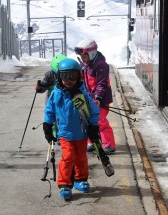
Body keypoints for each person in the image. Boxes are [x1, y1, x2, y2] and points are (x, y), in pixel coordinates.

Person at [42, 58, 100, 200]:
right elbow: (49, 111)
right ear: (59, 77)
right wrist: (48, 126)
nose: (69, 80)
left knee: (81, 157)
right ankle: (65, 184)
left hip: (81, 133)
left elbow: (93, 110)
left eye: (72, 76)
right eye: (65, 76)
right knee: (68, 157)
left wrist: (93, 126)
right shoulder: (57, 94)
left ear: (78, 76)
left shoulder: (82, 94)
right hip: (65, 133)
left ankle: (80, 180)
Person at [74, 39, 116, 154]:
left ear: (91, 54)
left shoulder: (101, 65)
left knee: (100, 121)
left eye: (84, 57)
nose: (83, 59)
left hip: (101, 100)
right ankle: (92, 141)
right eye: (81, 57)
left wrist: (97, 98)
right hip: (88, 97)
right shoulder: (86, 64)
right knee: (87, 120)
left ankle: (109, 144)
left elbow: (102, 84)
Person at [35, 54, 66, 143]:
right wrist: (40, 88)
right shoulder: (49, 75)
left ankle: (61, 136)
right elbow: (44, 86)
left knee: (62, 118)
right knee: (52, 117)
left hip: (64, 100)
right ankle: (53, 135)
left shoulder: (68, 73)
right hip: (51, 100)